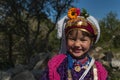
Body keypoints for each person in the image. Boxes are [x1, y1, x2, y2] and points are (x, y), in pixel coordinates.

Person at [41, 7, 108, 80]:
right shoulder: (56, 65)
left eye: (83, 40)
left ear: (91, 41)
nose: (77, 44)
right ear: (66, 40)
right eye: (72, 39)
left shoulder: (98, 70)